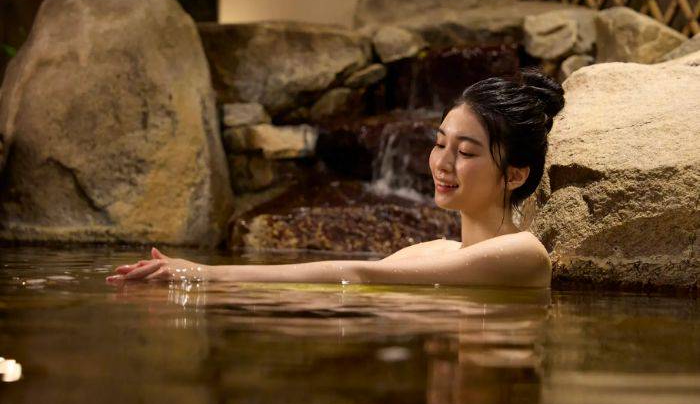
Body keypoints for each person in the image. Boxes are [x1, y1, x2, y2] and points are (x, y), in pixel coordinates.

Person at [107, 70, 565, 288]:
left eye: (465, 152)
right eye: (439, 143)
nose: (442, 163)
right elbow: (341, 288)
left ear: (516, 174)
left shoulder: (522, 253)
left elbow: (357, 275)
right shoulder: (432, 251)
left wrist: (203, 275)